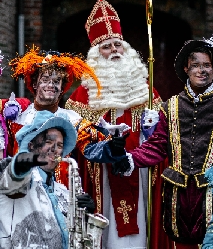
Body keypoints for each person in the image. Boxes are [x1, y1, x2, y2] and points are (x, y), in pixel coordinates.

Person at [119, 39, 213, 249]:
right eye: (196, 65)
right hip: (177, 199)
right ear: (187, 69)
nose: (201, 71)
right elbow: (157, 146)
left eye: (206, 65)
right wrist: (129, 158)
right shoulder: (170, 106)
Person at [64, 0, 169, 249]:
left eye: (117, 45)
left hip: (141, 175)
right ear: (95, 55)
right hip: (101, 176)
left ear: (126, 49)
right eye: (106, 47)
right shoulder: (82, 96)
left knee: (142, 225)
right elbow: (74, 140)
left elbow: (163, 137)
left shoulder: (147, 91)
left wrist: (149, 131)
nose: (114, 51)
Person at [3, 47, 129, 186]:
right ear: (35, 84)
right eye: (45, 79)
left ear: (62, 88)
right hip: (21, 190)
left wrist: (112, 147)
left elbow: (90, 148)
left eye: (57, 81)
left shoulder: (72, 119)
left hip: (59, 191)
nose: (51, 85)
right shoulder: (18, 117)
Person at [0, 110, 96, 248]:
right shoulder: (22, 179)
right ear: (31, 145)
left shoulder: (62, 191)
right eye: (48, 141)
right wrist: (20, 165)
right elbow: (12, 178)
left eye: (60, 145)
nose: (54, 149)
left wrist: (86, 215)